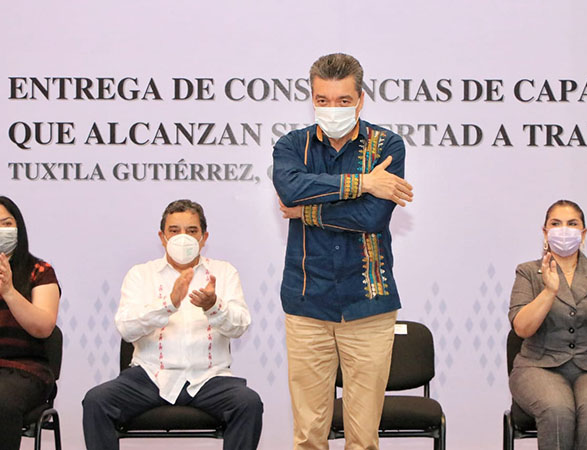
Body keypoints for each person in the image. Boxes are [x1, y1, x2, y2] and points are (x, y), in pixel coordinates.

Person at [272, 53, 413, 450]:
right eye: (323, 100)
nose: (332, 109)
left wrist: (307, 212)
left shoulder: (387, 145)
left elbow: (371, 217)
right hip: (307, 303)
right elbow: (290, 190)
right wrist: (364, 183)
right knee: (308, 436)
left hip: (368, 304)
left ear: (360, 99)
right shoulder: (292, 145)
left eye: (343, 100)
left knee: (363, 438)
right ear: (312, 99)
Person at [82, 199, 262, 450]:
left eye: (192, 231)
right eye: (174, 231)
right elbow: (125, 328)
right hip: (149, 377)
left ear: (204, 237)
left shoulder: (224, 272)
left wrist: (214, 306)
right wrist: (169, 303)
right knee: (96, 401)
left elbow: (240, 326)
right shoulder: (140, 274)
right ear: (162, 237)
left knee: (248, 403)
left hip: (209, 378)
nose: (183, 238)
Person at [508, 199, 587, 450]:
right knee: (557, 409)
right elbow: (522, 328)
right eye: (556, 223)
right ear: (545, 232)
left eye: (572, 224)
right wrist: (549, 291)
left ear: (583, 233)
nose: (564, 230)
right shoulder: (528, 272)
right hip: (538, 367)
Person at [0, 196, 60, 450]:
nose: (1, 230)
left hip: (25, 371)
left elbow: (43, 327)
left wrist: (9, 292)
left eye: (6, 223)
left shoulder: (40, 271)